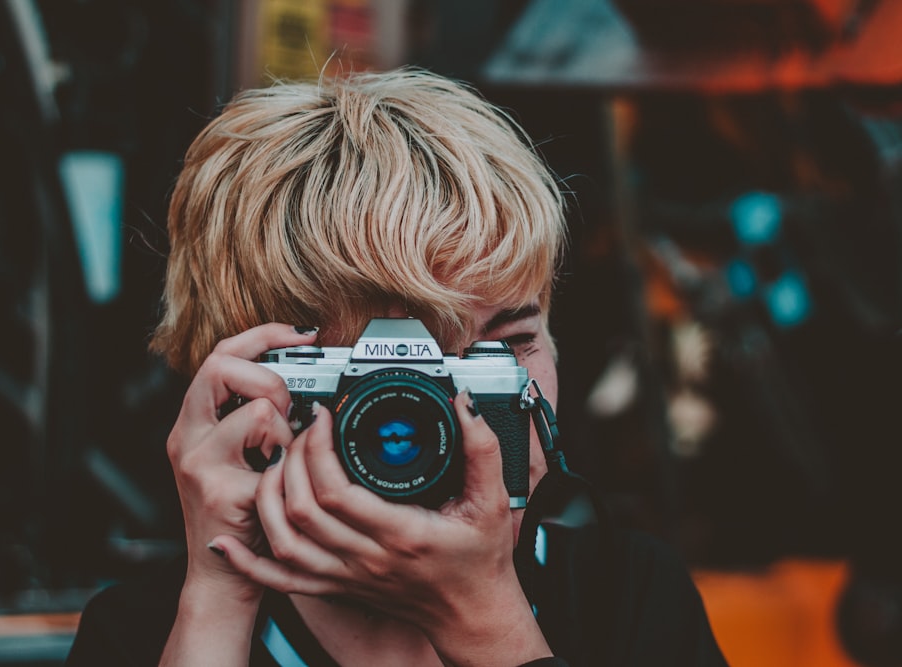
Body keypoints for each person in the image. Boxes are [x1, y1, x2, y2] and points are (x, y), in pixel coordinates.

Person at [66, 67, 728, 666]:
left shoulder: (625, 598)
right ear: (253, 389)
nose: (449, 415)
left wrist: (486, 621)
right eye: (385, 378)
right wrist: (218, 596)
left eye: (505, 345)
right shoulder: (145, 634)